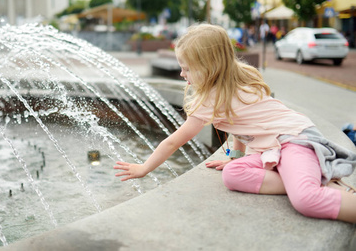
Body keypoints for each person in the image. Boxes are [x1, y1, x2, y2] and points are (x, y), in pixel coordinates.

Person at [114, 23, 356, 223]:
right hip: (274, 146)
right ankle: (302, 177)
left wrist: (144, 168)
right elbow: (240, 124)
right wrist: (235, 157)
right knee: (233, 174)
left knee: (305, 200)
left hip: (295, 140)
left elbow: (173, 141)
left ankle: (314, 184)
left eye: (187, 68)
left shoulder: (211, 97)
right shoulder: (234, 78)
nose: (182, 74)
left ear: (208, 67)